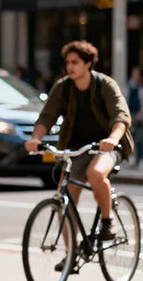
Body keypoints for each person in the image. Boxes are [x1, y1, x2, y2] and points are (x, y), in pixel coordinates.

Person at [25, 41, 133, 252]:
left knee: (94, 173)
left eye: (75, 62)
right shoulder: (63, 87)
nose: (70, 67)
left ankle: (107, 221)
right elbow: (46, 117)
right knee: (65, 201)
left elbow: (121, 116)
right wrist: (35, 138)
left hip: (107, 147)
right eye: (67, 62)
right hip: (76, 148)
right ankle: (71, 253)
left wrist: (112, 139)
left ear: (88, 63)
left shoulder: (105, 84)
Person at [127, 66, 143, 166]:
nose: (133, 75)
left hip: (140, 117)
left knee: (140, 139)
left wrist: (140, 114)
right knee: (135, 139)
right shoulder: (133, 87)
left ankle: (139, 159)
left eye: (135, 73)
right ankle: (136, 159)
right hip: (133, 116)